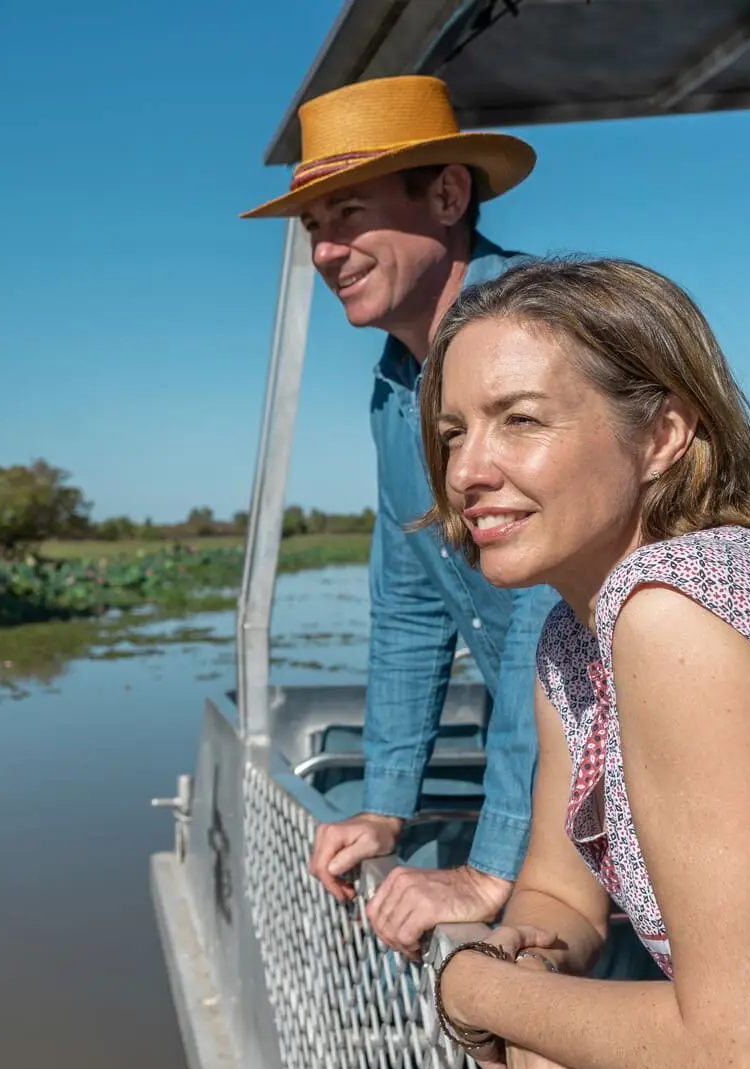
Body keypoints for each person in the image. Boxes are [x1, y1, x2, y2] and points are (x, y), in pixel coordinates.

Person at [425, 256, 750, 1069]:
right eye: (452, 432)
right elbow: (558, 893)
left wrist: (470, 988)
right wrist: (538, 998)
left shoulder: (675, 611)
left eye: (520, 420)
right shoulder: (575, 634)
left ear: (664, 433)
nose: (467, 469)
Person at [241, 74, 560, 955]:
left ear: (448, 195)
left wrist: (492, 864)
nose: (326, 251)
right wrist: (385, 804)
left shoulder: (537, 337)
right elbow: (412, 605)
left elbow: (552, 617)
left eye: (348, 213)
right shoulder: (395, 385)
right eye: (314, 226)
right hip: (573, 778)